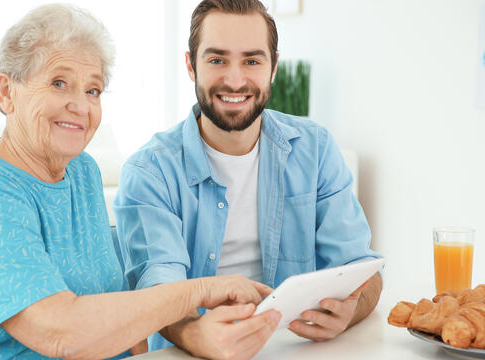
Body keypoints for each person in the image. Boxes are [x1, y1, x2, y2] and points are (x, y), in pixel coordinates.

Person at [0, 4, 280, 359]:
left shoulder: (82, 173)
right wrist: (200, 290)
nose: (80, 106)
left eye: (92, 89)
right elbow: (60, 332)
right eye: (59, 83)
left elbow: (115, 310)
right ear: (6, 92)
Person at [113, 0, 383, 357]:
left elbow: (364, 272)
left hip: (297, 349)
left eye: (252, 60)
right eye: (217, 60)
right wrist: (196, 336)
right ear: (191, 65)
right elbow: (158, 292)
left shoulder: (316, 150)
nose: (235, 79)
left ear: (273, 68)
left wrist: (350, 311)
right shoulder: (150, 172)